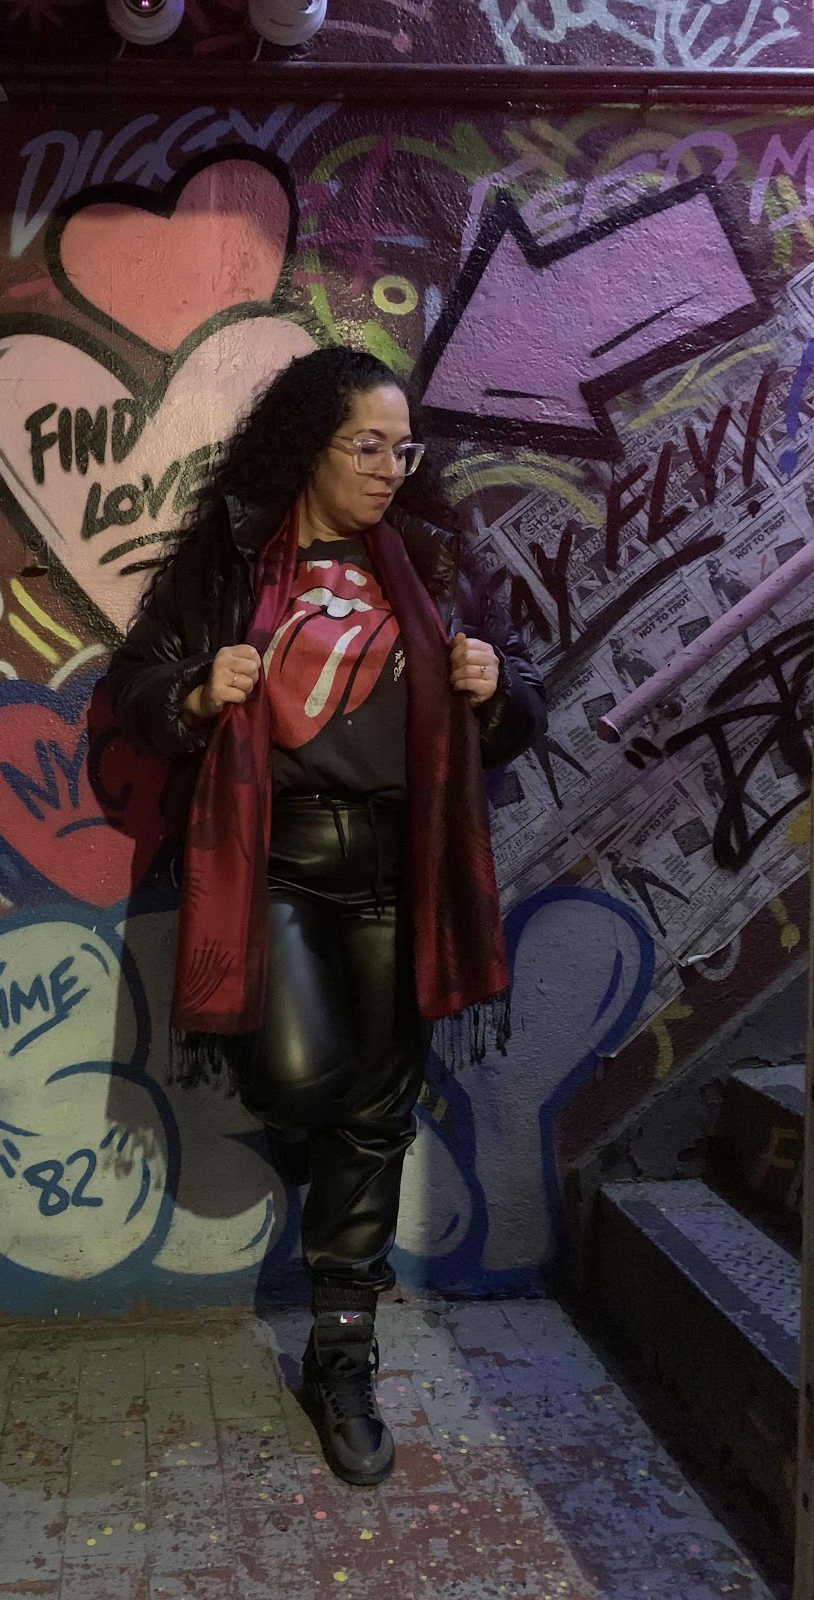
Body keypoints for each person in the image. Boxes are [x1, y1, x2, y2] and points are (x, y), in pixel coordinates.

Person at [103, 347, 548, 1488]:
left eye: (404, 448)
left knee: (375, 1115)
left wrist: (499, 688)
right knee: (304, 1086)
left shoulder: (431, 559)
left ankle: (341, 1360)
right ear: (311, 445)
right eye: (369, 445)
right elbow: (135, 690)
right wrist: (195, 691)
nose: (392, 469)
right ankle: (334, 1150)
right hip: (278, 867)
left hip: (408, 869)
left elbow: (519, 703)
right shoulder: (236, 553)